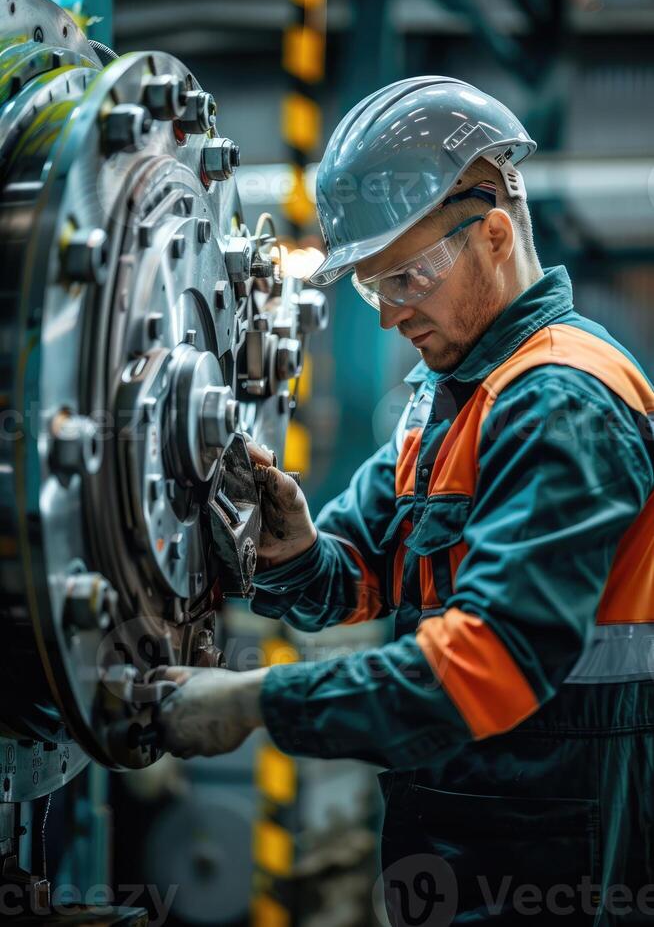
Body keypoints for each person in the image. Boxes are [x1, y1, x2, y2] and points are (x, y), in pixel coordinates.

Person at [152, 78, 654, 925]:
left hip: (565, 850)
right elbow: (358, 577)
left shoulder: (560, 399)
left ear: (494, 234)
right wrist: (296, 553)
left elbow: (491, 661)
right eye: (371, 288)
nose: (390, 317)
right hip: (468, 836)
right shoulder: (451, 390)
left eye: (407, 279)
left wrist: (255, 701)